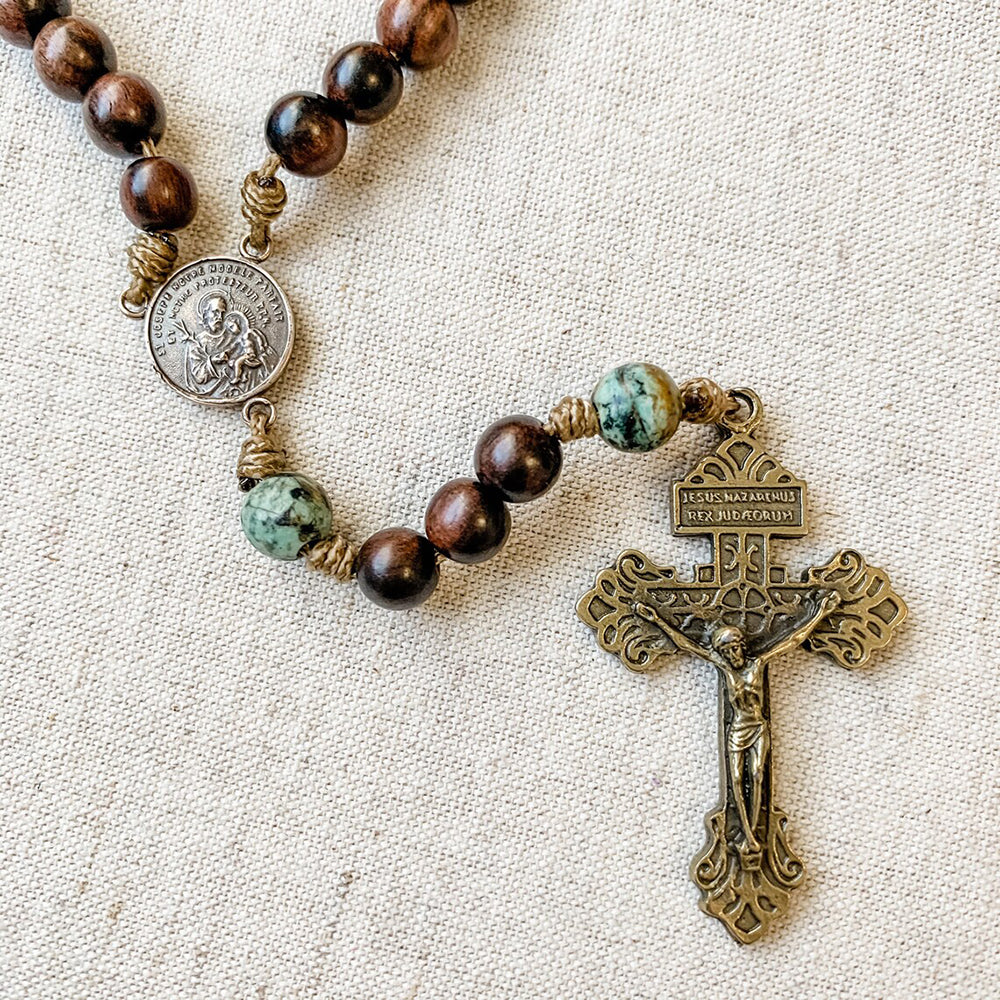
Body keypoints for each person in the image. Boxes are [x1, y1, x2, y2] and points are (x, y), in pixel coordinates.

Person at [635, 590, 840, 857]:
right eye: (726, 650)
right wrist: (655, 619)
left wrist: (822, 612)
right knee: (735, 780)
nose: (732, 654)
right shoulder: (725, 668)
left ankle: (751, 834)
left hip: (757, 727)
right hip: (738, 730)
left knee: (757, 775)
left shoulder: (757, 664)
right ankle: (747, 834)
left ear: (742, 645)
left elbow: (793, 638)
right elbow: (687, 644)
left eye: (735, 647)